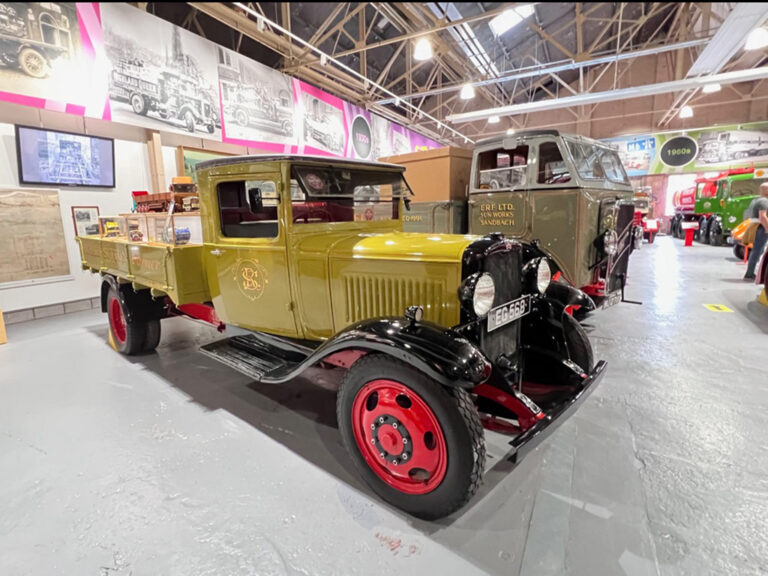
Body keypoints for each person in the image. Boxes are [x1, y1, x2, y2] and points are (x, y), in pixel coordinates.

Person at [744, 182, 768, 280]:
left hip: (758, 227)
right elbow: (763, 217)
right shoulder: (764, 201)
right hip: (761, 228)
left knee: (758, 250)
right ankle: (750, 273)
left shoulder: (757, 200)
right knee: (757, 250)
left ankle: (751, 272)